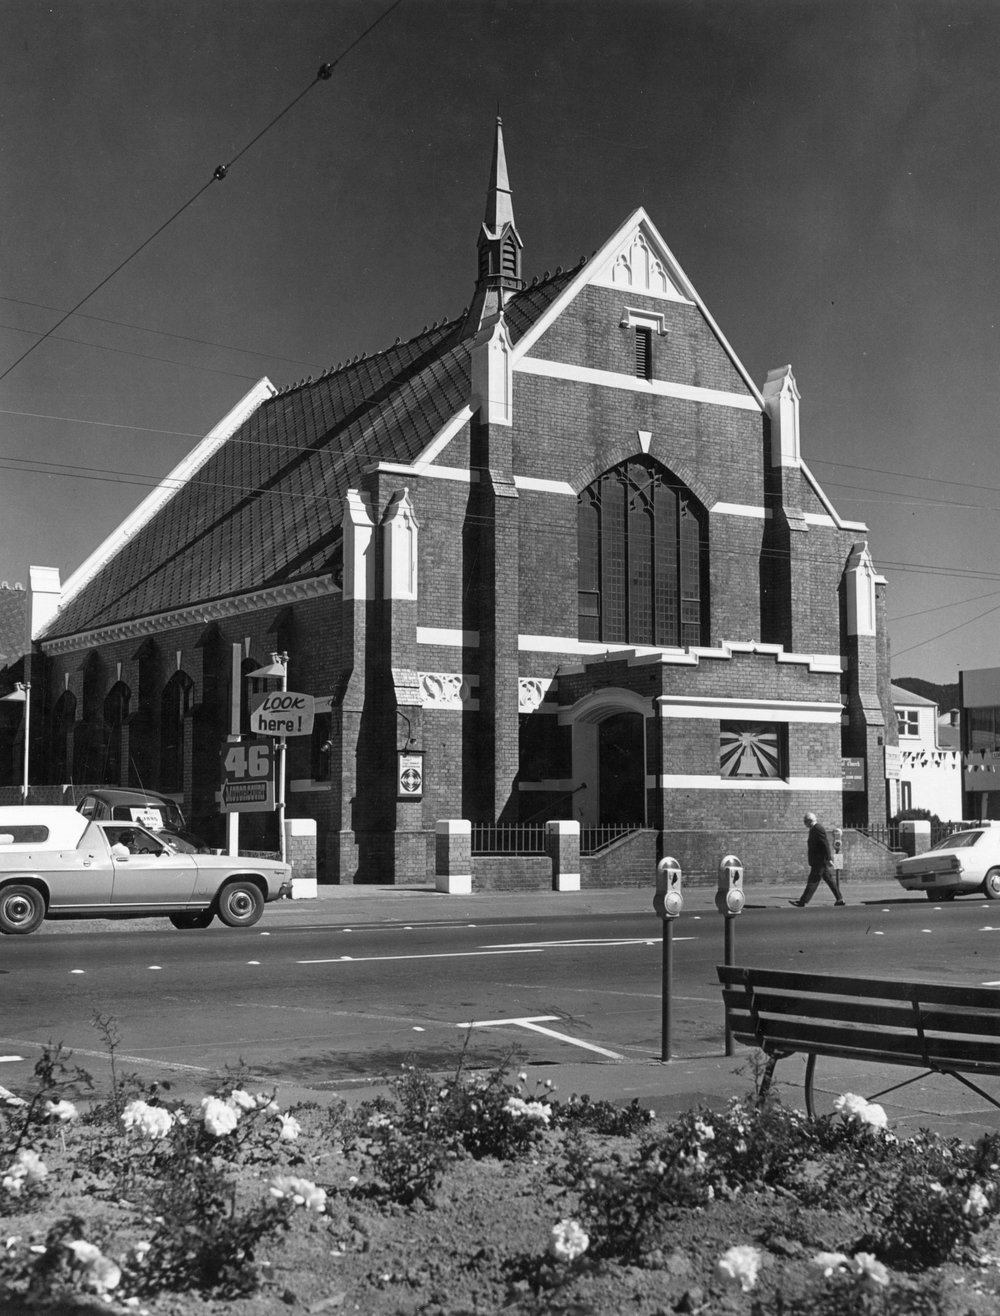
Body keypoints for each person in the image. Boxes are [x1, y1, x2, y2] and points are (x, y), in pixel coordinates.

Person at [789, 812, 845, 907]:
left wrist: (828, 858)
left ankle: (803, 901)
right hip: (818, 861)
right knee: (829, 880)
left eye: (805, 821)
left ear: (810, 821)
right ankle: (840, 899)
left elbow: (825, 844)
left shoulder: (818, 828)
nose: (804, 823)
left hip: (819, 861)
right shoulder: (813, 829)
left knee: (813, 881)